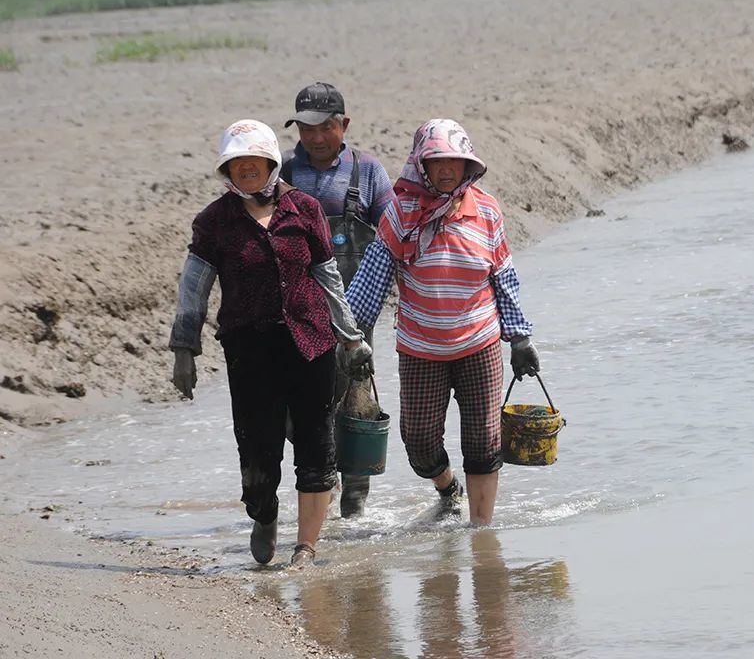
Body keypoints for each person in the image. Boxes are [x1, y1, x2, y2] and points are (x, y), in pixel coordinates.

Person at [168, 119, 373, 567]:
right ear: (227, 169)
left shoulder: (304, 209)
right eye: (236, 164)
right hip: (250, 352)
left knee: (317, 448)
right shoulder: (214, 221)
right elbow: (193, 287)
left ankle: (306, 547)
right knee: (258, 452)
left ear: (271, 163)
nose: (246, 170)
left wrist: (352, 338)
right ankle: (264, 515)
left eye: (254, 163)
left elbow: (327, 274)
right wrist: (184, 349)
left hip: (311, 345)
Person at [346, 119, 541, 525]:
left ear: (468, 165)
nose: (448, 170)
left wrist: (520, 338)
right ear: (421, 164)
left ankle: (480, 536)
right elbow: (370, 281)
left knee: (484, 444)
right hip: (421, 349)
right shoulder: (400, 213)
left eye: (456, 161)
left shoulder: (485, 209)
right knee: (417, 443)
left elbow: (503, 276)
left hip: (480, 343)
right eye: (438, 161)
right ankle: (446, 486)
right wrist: (352, 340)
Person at [282, 82, 395, 518]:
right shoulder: (286, 174)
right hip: (300, 311)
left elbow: (391, 234)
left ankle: (355, 500)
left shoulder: (367, 171)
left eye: (323, 127)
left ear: (343, 125)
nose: (313, 137)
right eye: (305, 128)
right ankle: (321, 479)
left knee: (355, 397)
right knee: (303, 405)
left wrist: (405, 296)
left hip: (356, 307)